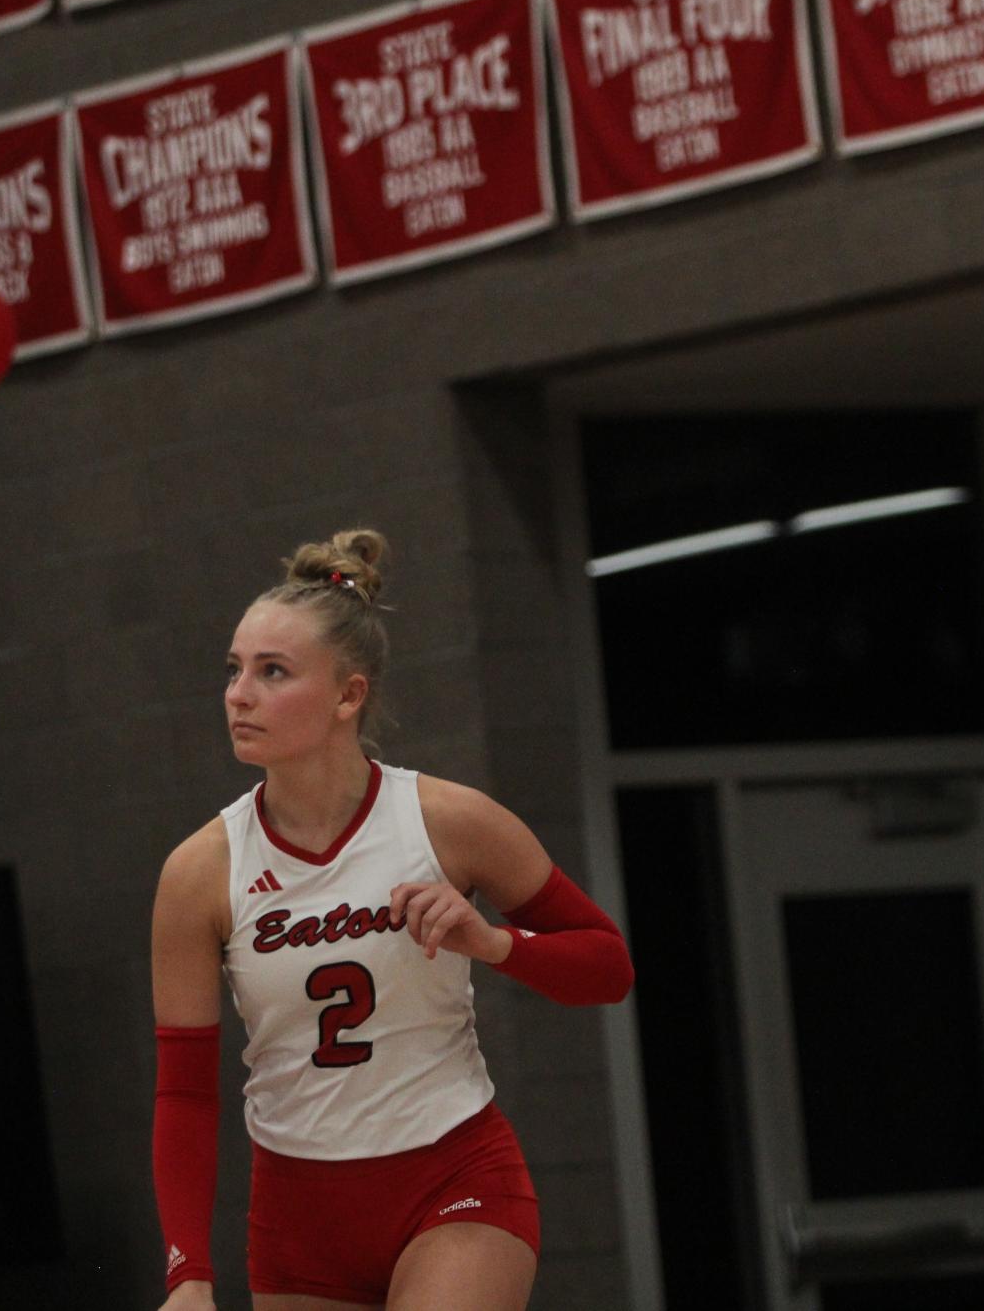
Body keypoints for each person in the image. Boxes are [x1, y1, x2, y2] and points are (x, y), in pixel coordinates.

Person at [149, 529, 635, 1311]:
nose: (238, 693)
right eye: (234, 669)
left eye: (272, 672)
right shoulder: (199, 871)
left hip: (452, 1179)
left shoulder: (447, 821)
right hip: (298, 1213)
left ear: (349, 695)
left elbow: (608, 968)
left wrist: (493, 942)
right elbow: (184, 1095)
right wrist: (187, 1273)